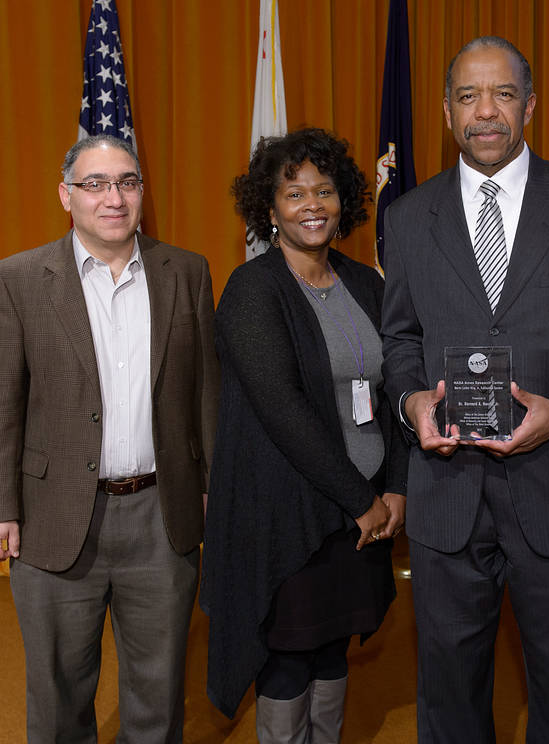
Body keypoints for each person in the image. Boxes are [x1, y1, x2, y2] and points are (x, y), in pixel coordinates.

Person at [380, 36, 549, 743]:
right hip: (445, 496)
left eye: (501, 94)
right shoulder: (407, 219)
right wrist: (412, 404)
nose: (485, 112)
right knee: (446, 695)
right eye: (468, 97)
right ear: (445, 112)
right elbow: (399, 338)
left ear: (529, 105)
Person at [0, 134, 218, 743]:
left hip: (163, 519)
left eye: (127, 182)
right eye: (96, 184)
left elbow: (206, 393)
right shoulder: (17, 280)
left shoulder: (186, 271)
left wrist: (213, 486)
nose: (114, 197)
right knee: (59, 695)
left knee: (158, 695)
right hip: (54, 520)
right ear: (66, 196)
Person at [201, 127, 408, 743]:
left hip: (361, 515)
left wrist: (395, 489)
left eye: (324, 190)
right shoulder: (253, 290)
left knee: (332, 648)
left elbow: (395, 391)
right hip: (288, 516)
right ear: (269, 209)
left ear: (343, 199)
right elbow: (284, 413)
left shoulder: (365, 284)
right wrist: (362, 500)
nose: (312, 204)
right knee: (290, 652)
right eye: (294, 193)